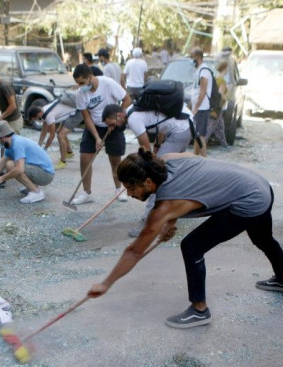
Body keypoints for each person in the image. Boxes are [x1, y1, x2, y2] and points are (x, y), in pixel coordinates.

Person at [87, 150, 283, 329]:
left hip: (248, 201)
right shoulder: (166, 160)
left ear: (148, 182)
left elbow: (134, 251)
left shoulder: (164, 207)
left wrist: (106, 283)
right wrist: (171, 221)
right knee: (262, 238)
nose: (130, 194)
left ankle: (199, 310)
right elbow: (193, 173)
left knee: (192, 245)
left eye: (132, 188)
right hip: (259, 186)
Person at [102, 103, 196, 237]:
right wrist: (158, 144)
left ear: (119, 115)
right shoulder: (134, 110)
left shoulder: (133, 119)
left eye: (112, 124)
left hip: (180, 130)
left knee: (154, 177)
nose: (112, 128)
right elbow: (162, 123)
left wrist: (141, 170)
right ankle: (172, 211)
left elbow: (146, 149)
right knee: (169, 172)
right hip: (186, 125)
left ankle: (148, 222)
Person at [70, 63, 132, 205]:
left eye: (82, 82)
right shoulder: (81, 94)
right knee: (85, 158)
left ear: (90, 77)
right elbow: (86, 117)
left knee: (115, 160)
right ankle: (86, 193)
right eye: (77, 83)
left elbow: (127, 99)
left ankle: (118, 189)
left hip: (113, 125)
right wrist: (97, 137)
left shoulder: (108, 83)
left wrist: (117, 117)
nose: (80, 86)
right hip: (94, 126)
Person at [0, 121, 54, 204]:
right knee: (11, 165)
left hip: (46, 174)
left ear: (3, 137)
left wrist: (1, 178)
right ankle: (32, 187)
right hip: (40, 171)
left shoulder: (17, 143)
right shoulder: (9, 147)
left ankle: (36, 192)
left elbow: (19, 169)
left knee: (11, 165)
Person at [27, 92, 82, 170]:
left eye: (35, 118)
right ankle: (69, 153)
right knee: (60, 131)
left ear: (39, 114)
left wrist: (45, 149)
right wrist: (38, 146)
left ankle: (63, 162)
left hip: (77, 113)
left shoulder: (48, 116)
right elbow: (44, 131)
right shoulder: (43, 110)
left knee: (60, 135)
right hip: (70, 112)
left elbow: (52, 135)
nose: (37, 120)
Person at [189, 47, 213, 156]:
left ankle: (204, 159)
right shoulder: (198, 70)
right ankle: (195, 157)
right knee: (197, 134)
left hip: (202, 108)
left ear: (198, 57)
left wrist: (196, 107)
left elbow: (203, 91)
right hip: (198, 107)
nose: (190, 59)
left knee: (200, 135)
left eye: (191, 57)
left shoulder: (204, 71)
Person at [205, 59, 229, 147]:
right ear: (225, 68)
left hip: (214, 106)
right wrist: (226, 98)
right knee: (211, 128)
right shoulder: (222, 80)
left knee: (220, 126)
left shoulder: (215, 78)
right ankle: (202, 143)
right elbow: (220, 95)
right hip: (217, 107)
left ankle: (224, 144)